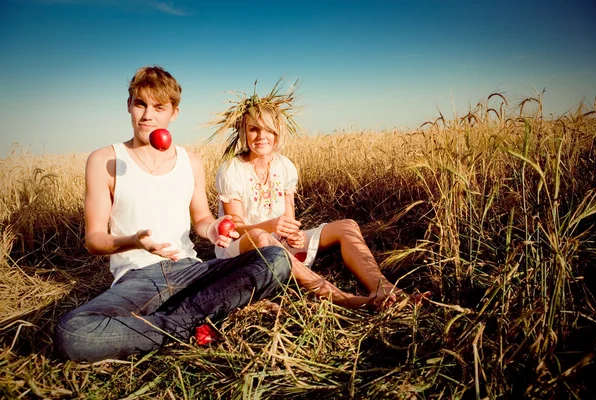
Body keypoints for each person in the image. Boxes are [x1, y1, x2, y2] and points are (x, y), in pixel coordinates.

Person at [54, 66, 291, 363]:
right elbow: (94, 239)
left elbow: (202, 219)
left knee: (276, 259)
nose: (147, 115)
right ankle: (188, 321)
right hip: (138, 279)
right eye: (140, 104)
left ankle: (172, 320)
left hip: (190, 270)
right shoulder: (105, 160)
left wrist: (215, 228)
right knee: (73, 334)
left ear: (173, 113)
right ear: (129, 105)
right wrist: (135, 241)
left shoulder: (189, 161)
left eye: (158, 107)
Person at [209, 81, 421, 310]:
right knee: (261, 236)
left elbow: (289, 221)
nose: (262, 136)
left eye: (269, 129)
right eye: (254, 129)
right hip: (242, 249)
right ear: (243, 132)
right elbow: (235, 230)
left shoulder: (285, 166)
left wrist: (295, 236)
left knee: (347, 225)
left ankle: (384, 287)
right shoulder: (232, 169)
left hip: (277, 245)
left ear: (278, 132)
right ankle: (344, 299)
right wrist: (271, 226)